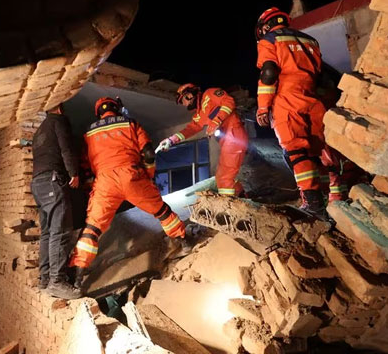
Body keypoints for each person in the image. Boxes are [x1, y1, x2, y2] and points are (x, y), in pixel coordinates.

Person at [68, 97, 190, 288]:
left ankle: (76, 276)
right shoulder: (131, 124)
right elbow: (148, 153)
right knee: (162, 212)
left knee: (92, 229)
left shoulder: (89, 133)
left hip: (105, 182)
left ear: (98, 111)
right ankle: (185, 242)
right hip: (132, 176)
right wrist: (147, 175)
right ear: (117, 108)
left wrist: (92, 184)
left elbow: (84, 166)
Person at [254, 6, 328, 215]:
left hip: (288, 98)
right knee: (314, 153)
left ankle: (314, 205)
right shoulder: (310, 41)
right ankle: (326, 199)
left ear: (266, 25)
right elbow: (321, 75)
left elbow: (269, 73)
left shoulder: (270, 39)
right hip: (312, 98)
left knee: (295, 151)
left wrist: (263, 107)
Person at [157, 84, 249, 196]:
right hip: (227, 140)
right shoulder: (199, 114)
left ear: (190, 95)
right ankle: (241, 198)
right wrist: (171, 140)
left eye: (183, 100)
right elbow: (191, 129)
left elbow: (229, 101)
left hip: (234, 135)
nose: (184, 104)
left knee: (225, 178)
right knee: (221, 177)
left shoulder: (210, 94)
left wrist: (216, 120)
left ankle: (230, 206)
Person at [31, 103, 81, 299]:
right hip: (52, 181)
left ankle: (44, 279)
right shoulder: (58, 122)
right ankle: (57, 282)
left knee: (47, 233)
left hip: (37, 184)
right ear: (59, 108)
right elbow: (66, 149)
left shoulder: (39, 131)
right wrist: (74, 173)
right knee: (60, 232)